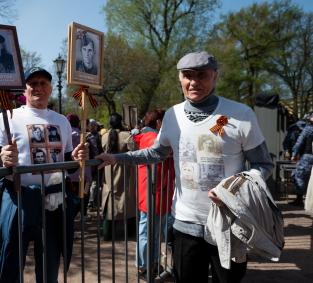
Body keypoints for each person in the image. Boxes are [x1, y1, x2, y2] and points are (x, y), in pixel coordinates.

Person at [97, 51, 273, 283]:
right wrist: (118, 158)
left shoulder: (241, 114)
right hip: (185, 223)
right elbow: (156, 153)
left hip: (228, 224)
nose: (193, 82)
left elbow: (263, 164)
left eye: (202, 75)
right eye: (187, 75)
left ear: (215, 76)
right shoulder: (173, 115)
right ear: (180, 78)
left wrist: (232, 189)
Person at [0, 67, 88, 283]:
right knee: (10, 262)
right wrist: (3, 159)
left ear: (50, 89)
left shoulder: (62, 121)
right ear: (25, 89)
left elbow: (69, 165)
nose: (39, 87)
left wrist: (77, 158)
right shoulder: (8, 117)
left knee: (49, 266)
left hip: (54, 204)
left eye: (43, 83)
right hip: (18, 199)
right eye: (34, 83)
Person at [132, 109, 174, 279]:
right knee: (148, 232)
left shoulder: (148, 136)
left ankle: (152, 263)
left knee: (152, 231)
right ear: (158, 123)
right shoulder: (152, 138)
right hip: (153, 191)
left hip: (155, 191)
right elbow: (165, 151)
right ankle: (144, 266)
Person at [100, 113, 136, 241]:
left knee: (109, 197)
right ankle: (130, 231)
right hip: (124, 170)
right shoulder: (127, 136)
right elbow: (135, 153)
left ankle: (107, 232)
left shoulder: (104, 136)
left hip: (108, 169)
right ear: (121, 122)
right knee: (127, 197)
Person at [291, 113, 313, 206]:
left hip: (308, 156)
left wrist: (294, 154)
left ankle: (299, 199)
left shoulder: (308, 129)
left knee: (299, 176)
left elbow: (299, 143)